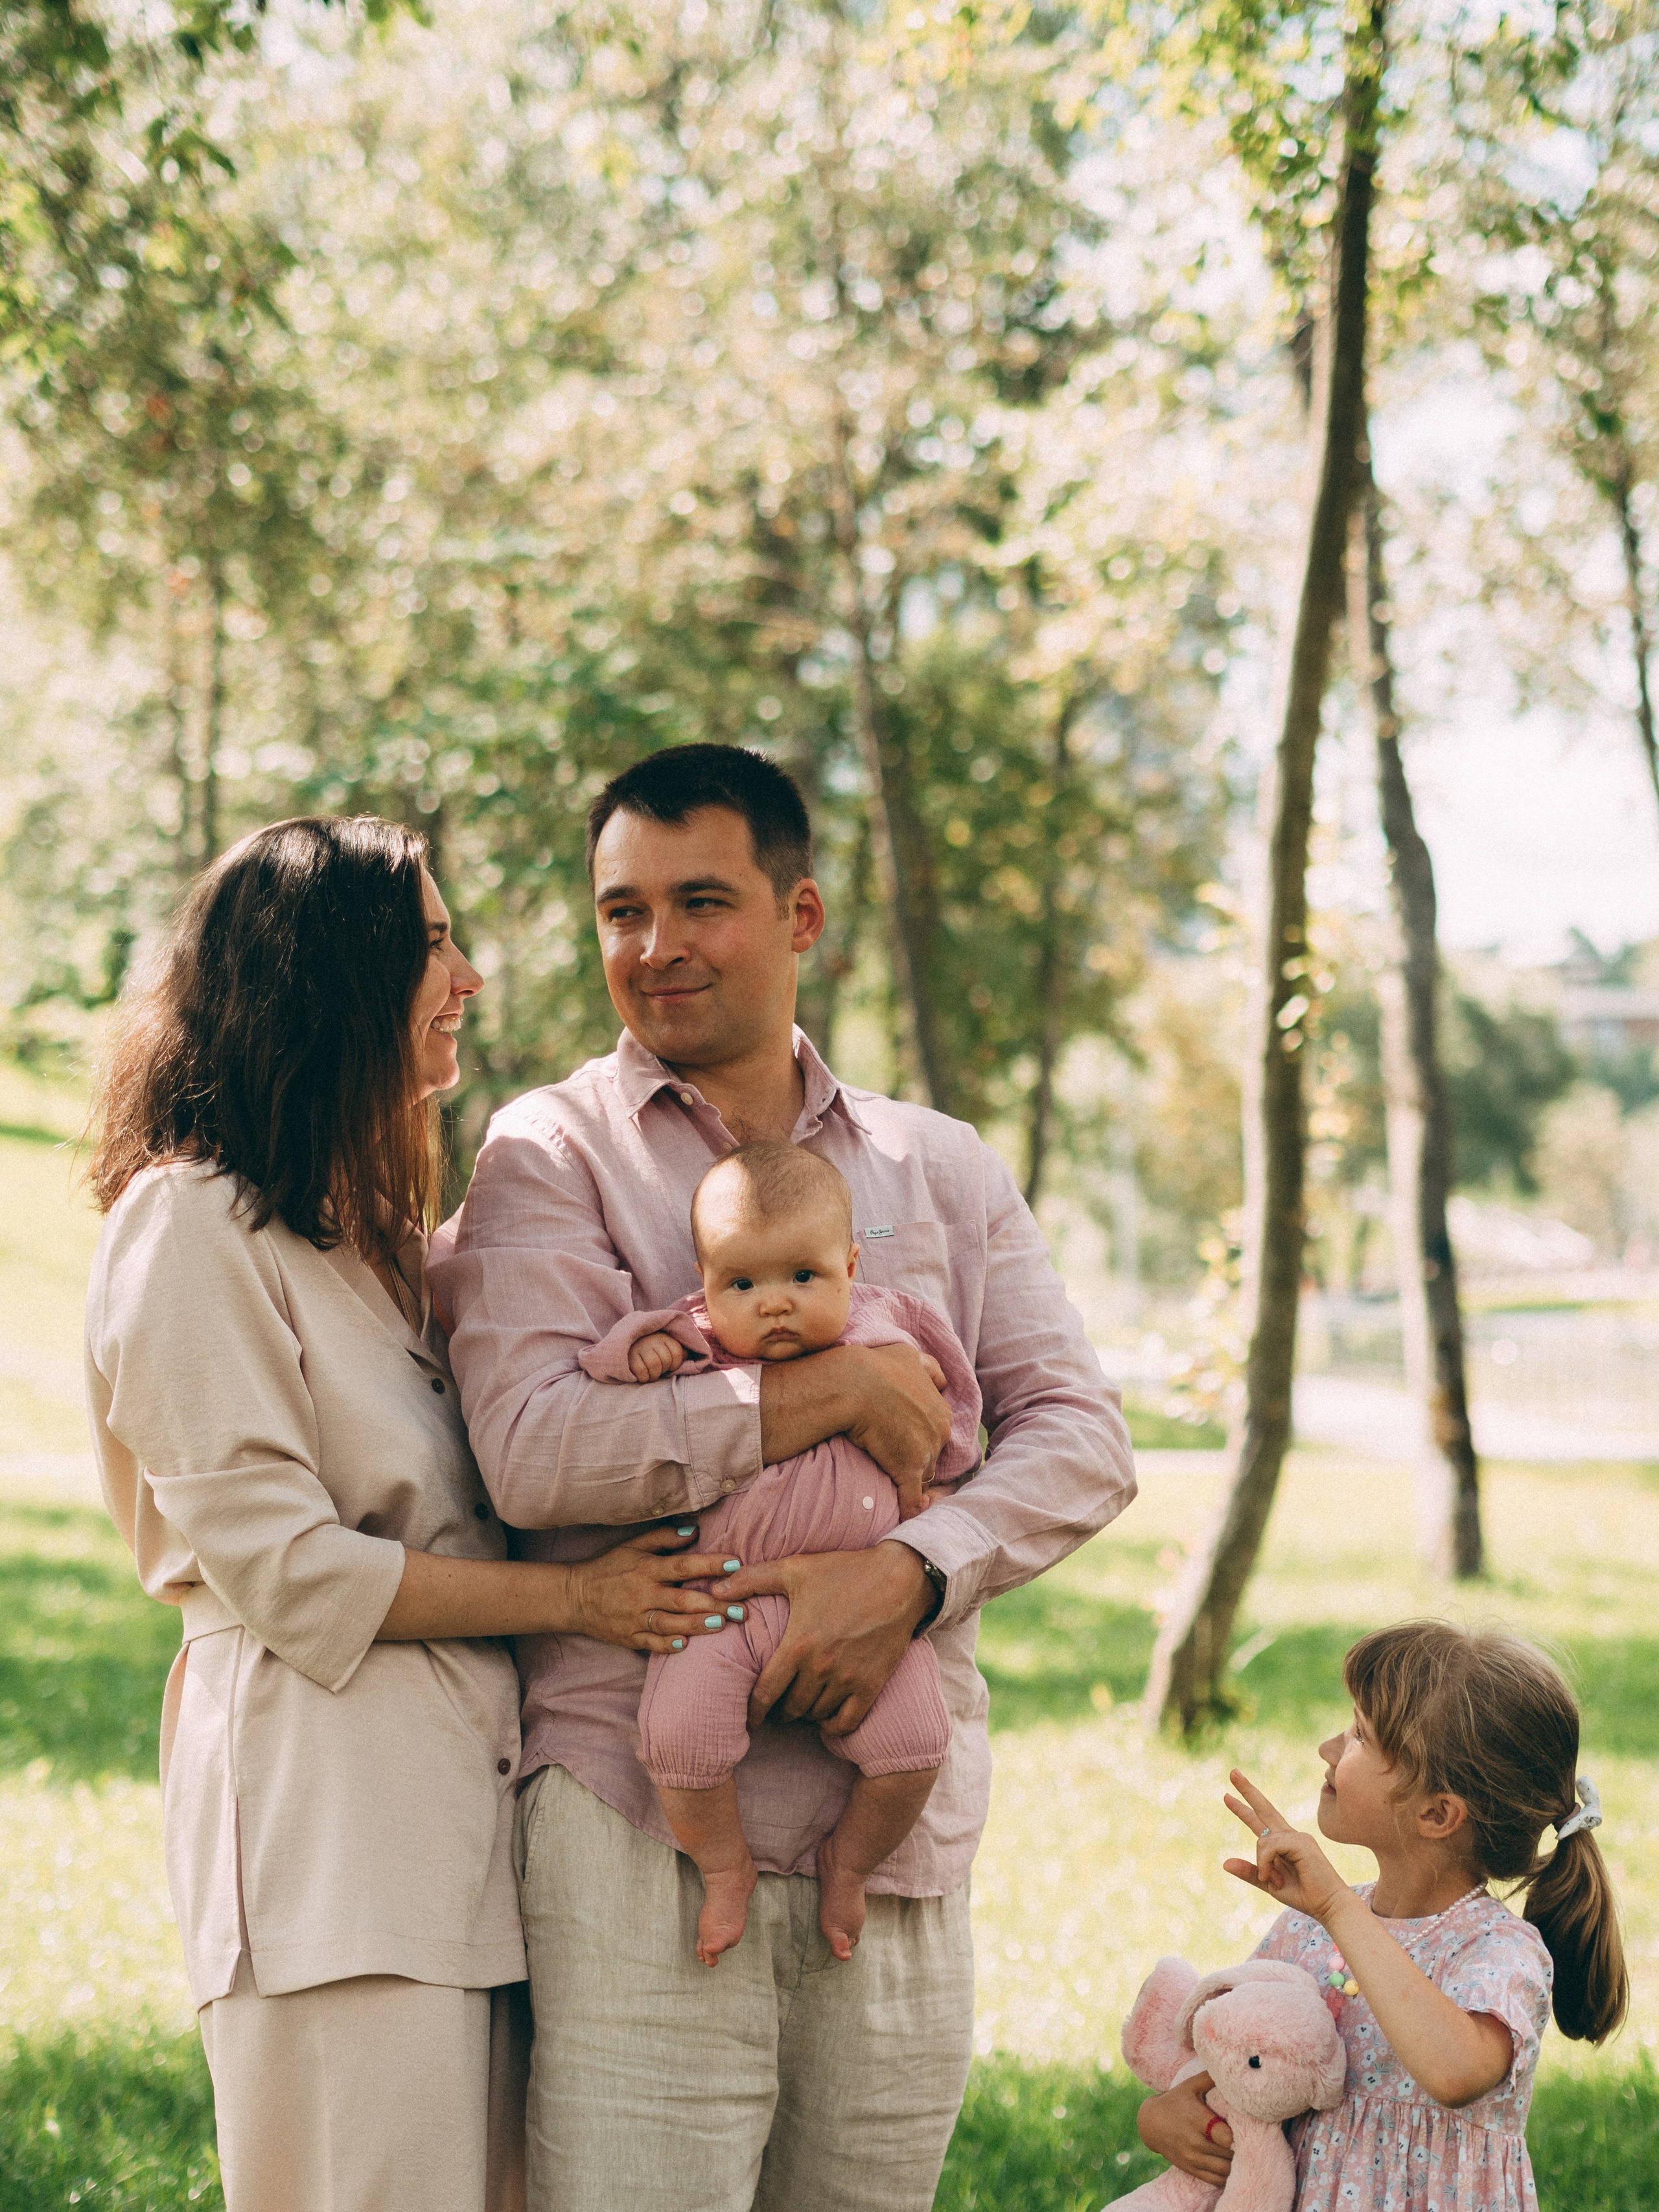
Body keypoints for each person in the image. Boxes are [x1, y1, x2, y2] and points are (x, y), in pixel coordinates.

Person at [429, 741, 1137, 2212]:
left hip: (891, 1850)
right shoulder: (547, 1154)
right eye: (620, 910)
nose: (655, 946)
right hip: (635, 1822)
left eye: (701, 901)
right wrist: (818, 1388)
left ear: (800, 913)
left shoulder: (935, 1166)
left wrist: (911, 1567)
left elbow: (1078, 1436)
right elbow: (535, 1447)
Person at [84, 816, 735, 2212]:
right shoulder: (190, 1226)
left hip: (456, 1837)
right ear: (332, 981)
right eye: (432, 944)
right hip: (330, 1846)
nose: (470, 976)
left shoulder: (373, 1242)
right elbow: (289, 1568)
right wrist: (574, 1598)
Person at [578, 1139, 982, 1968]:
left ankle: (851, 1863)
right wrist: (639, 1352)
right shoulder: (698, 1335)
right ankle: (725, 1868)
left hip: (869, 1604)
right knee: (678, 1739)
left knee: (915, 1747)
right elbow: (600, 1366)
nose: (774, 1306)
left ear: (850, 1263)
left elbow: (949, 1407)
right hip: (722, 1600)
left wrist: (942, 1475)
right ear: (705, 1280)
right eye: (743, 1283)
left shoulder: (885, 1326)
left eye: (803, 1277)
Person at [1138, 1620, 1629, 2212]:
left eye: (1359, 1736)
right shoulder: (1306, 1930)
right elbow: (1238, 2060)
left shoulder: (1499, 1951)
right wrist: (1162, 2115)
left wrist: (1336, 1906)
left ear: (1437, 1813)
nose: (1328, 1748)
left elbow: (1453, 2072)